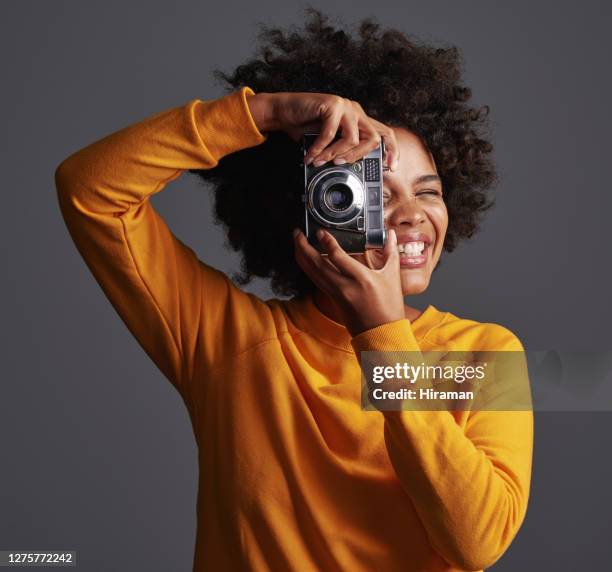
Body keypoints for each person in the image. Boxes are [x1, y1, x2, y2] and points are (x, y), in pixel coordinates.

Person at [54, 10, 533, 572]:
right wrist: (267, 112)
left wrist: (382, 335)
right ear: (307, 202)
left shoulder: (486, 355)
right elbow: (89, 190)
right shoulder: (226, 339)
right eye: (370, 190)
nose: (410, 216)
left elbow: (476, 542)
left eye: (428, 192)